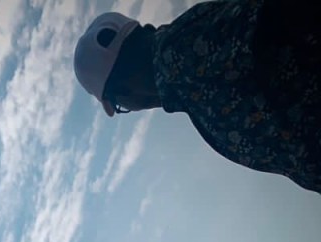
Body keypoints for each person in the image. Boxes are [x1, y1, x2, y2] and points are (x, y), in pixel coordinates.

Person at [72, 3, 321, 194]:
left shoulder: (181, 51)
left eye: (118, 105)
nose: (130, 107)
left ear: (123, 88)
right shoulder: (182, 77)